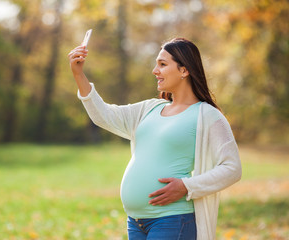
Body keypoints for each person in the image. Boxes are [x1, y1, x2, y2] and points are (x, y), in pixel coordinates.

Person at [68, 37, 242, 240]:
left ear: (184, 70)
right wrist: (78, 74)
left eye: (162, 64)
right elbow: (105, 116)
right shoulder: (150, 108)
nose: (155, 70)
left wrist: (187, 186)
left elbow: (232, 168)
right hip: (136, 222)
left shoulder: (207, 115)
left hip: (172, 219)